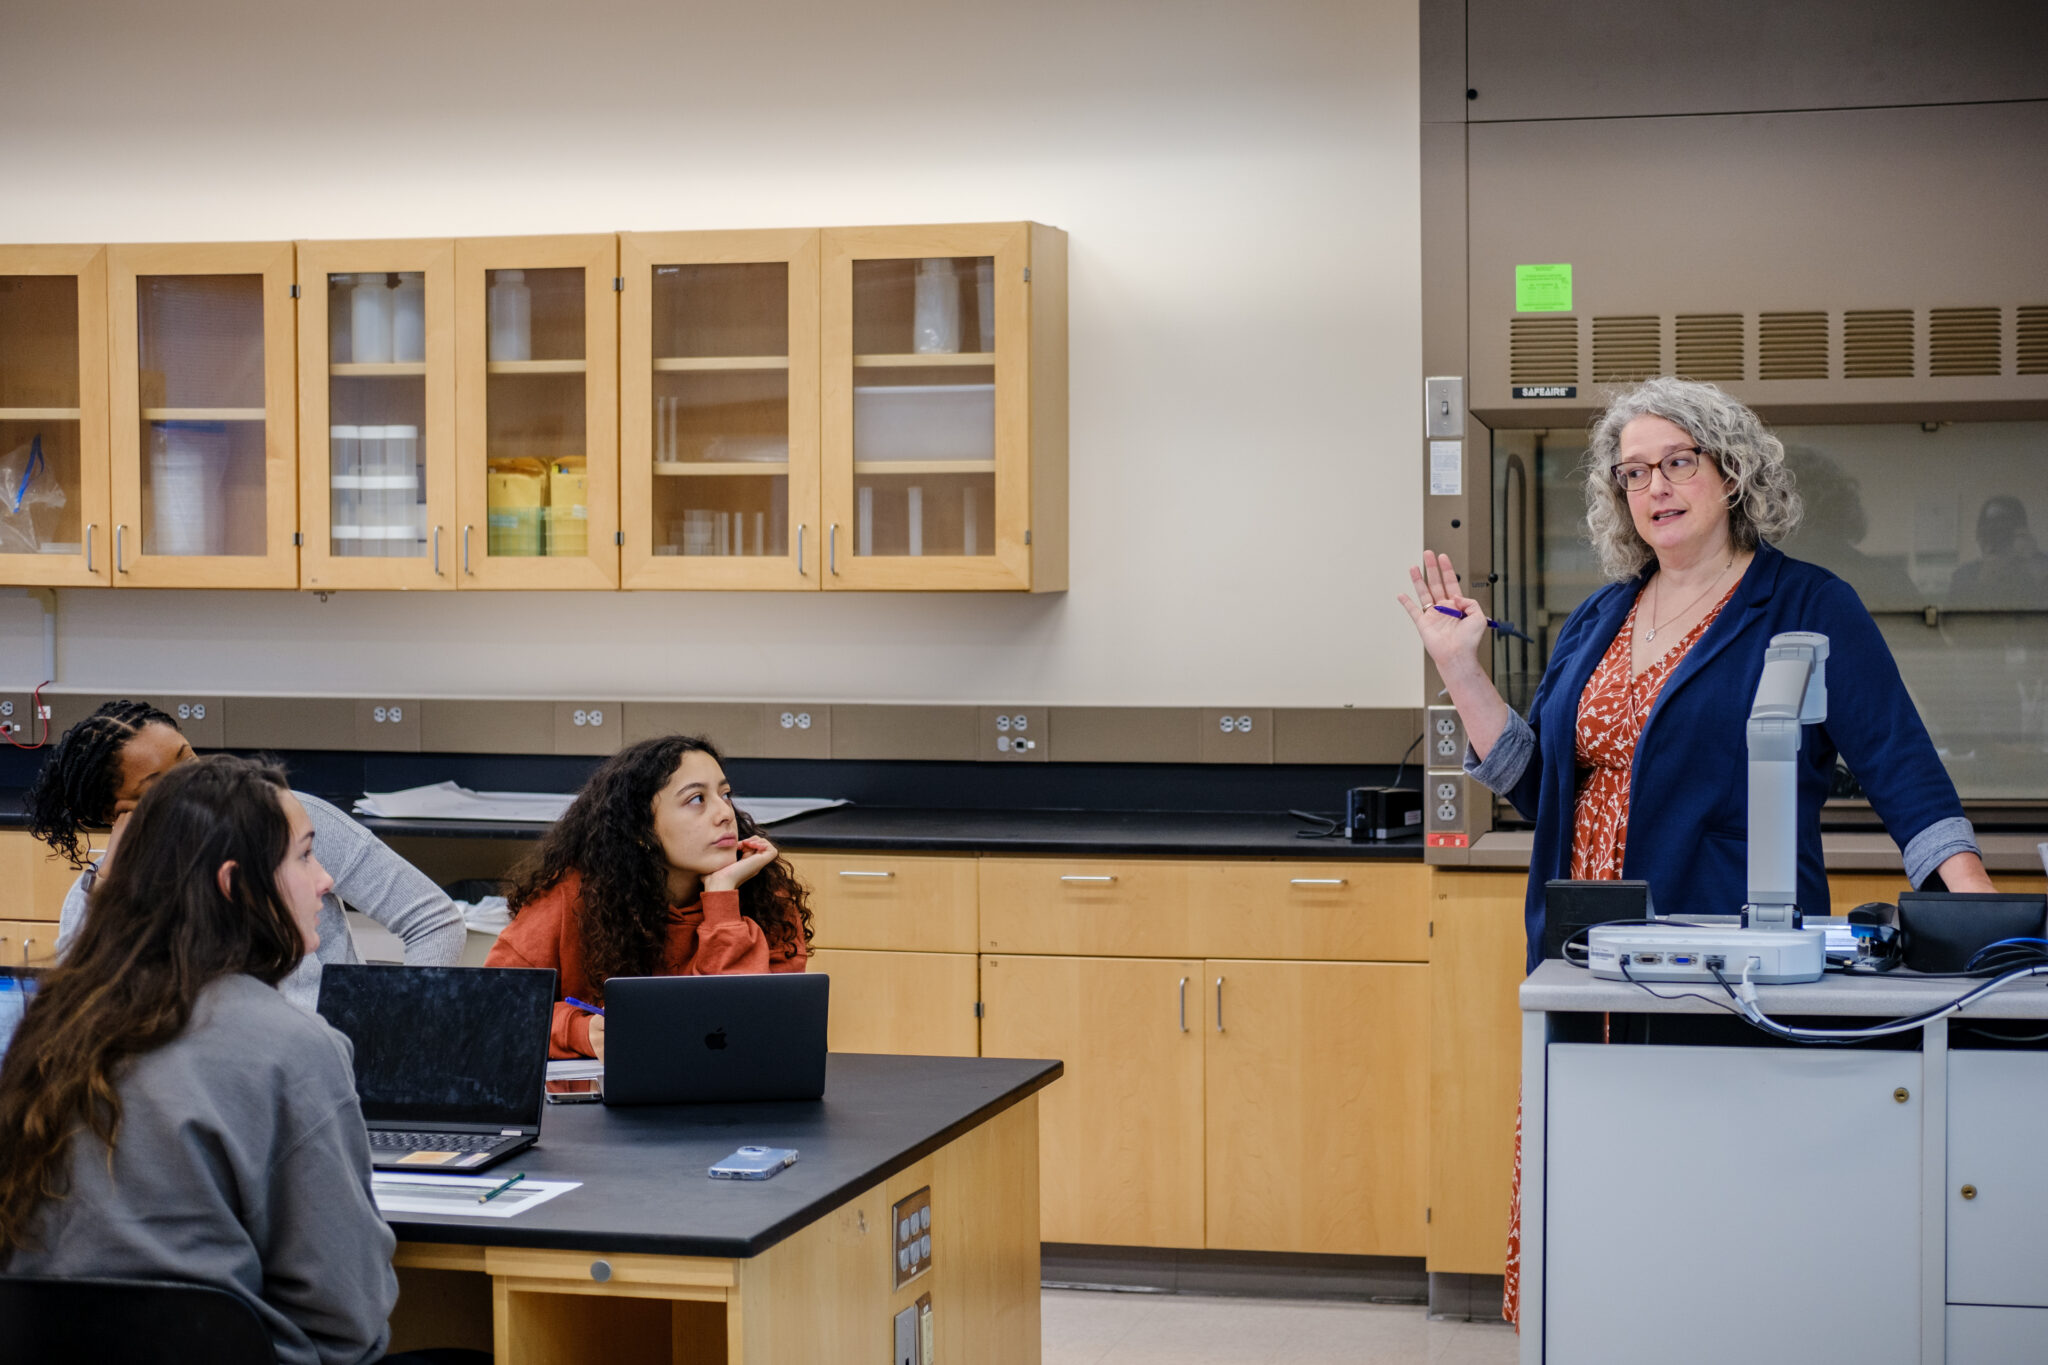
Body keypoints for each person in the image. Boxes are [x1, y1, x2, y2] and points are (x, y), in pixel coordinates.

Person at [1400, 376, 1993, 972]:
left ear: (1732, 473)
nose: (1656, 487)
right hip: (1580, 950)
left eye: (1678, 462)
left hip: (1726, 949)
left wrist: (1977, 911)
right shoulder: (1598, 616)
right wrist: (1459, 667)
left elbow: (1899, 763)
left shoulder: (1808, 604)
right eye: (1634, 473)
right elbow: (1538, 790)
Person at [0, 756, 399, 1365]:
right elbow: (349, 1317)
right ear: (235, 885)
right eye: (304, 857)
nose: (324, 880)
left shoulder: (51, 1024)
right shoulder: (292, 1048)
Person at [28, 700, 465, 1009]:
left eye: (188, 757)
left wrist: (399, 1031)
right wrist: (110, 887)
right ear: (121, 813)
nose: (195, 779)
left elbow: (433, 920)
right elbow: (80, 1009)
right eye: (161, 783)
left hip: (331, 1063)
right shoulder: (101, 893)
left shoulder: (291, 819)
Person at [486, 734, 813, 1059]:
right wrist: (578, 1031)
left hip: (730, 1090)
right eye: (696, 799)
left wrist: (722, 900)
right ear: (640, 829)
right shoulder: (572, 895)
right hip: (603, 1090)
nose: (725, 813)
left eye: (725, 795)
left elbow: (743, 1031)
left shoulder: (766, 898)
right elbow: (492, 1006)